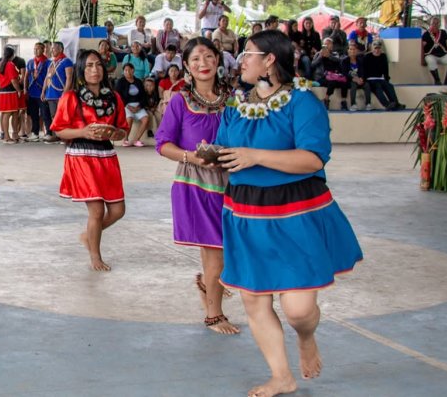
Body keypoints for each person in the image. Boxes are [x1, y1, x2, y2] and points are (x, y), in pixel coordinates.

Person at [217, 30, 362, 397]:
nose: (241, 60)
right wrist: (213, 157)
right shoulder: (235, 106)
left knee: (298, 310)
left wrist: (256, 156)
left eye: (248, 53)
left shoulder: (303, 103)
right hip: (246, 212)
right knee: (254, 297)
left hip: (296, 212)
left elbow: (313, 158)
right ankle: (281, 376)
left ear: (269, 59)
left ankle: (307, 336)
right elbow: (225, 150)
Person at [154, 37, 238, 334]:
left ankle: (206, 284)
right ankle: (214, 315)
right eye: (195, 60)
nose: (203, 64)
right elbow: (162, 144)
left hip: (232, 182)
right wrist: (194, 157)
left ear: (219, 59)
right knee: (217, 252)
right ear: (187, 67)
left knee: (223, 252)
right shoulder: (180, 101)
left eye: (208, 56)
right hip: (196, 184)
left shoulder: (235, 99)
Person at [50, 49, 129, 271]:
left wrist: (114, 133)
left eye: (98, 65)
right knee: (96, 211)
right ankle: (95, 256)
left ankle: (89, 236)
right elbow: (59, 130)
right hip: (81, 156)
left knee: (117, 211)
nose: (95, 70)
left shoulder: (114, 98)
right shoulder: (71, 97)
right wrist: (83, 132)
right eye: (89, 66)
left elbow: (123, 131)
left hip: (107, 155)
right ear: (81, 71)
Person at [42, 42, 74, 143]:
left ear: (61, 49)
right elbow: (47, 78)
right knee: (53, 115)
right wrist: (43, 91)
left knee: (63, 115)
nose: (52, 50)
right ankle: (57, 135)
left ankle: (66, 136)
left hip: (61, 94)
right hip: (51, 94)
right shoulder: (52, 62)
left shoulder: (67, 61)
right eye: (52, 49)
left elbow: (69, 79)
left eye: (54, 49)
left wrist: (65, 93)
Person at [0, 46, 25, 143]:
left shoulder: (0, 64)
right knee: (8, 114)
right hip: (10, 91)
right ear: (12, 54)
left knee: (5, 113)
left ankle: (10, 135)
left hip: (2, 91)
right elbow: (13, 80)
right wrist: (19, 90)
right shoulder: (10, 65)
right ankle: (7, 137)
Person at [361, 40, 403, 110]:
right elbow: (363, 70)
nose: (377, 50)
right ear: (372, 49)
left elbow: (386, 70)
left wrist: (387, 80)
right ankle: (387, 104)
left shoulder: (383, 56)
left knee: (389, 86)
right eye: (375, 48)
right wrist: (364, 80)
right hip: (370, 79)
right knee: (378, 87)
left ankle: (396, 103)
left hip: (380, 78)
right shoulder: (367, 57)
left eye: (378, 48)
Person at [114, 62, 149, 147]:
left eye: (129, 70)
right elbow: (118, 96)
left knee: (146, 119)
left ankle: (136, 140)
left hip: (138, 105)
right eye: (125, 70)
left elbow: (144, 95)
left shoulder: (138, 81)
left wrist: (139, 106)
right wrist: (128, 106)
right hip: (126, 105)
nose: (128, 72)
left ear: (133, 70)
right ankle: (125, 140)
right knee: (129, 119)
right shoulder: (121, 82)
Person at [25, 41, 50, 142]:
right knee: (33, 114)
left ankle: (48, 132)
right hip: (32, 92)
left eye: (38, 48)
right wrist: (25, 88)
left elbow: (49, 78)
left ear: (43, 50)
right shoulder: (31, 62)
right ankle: (35, 133)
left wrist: (45, 90)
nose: (36, 50)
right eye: (35, 48)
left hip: (42, 92)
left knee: (45, 113)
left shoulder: (47, 62)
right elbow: (26, 76)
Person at [421, 17, 447, 85]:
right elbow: (422, 46)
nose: (435, 25)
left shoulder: (443, 32)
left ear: (439, 25)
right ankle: (437, 80)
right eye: (433, 23)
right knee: (430, 60)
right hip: (431, 55)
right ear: (430, 24)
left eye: (437, 23)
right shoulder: (426, 34)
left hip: (443, 55)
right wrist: (422, 59)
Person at [317, 37, 347, 111]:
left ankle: (343, 101)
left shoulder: (335, 54)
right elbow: (313, 64)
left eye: (329, 43)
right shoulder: (319, 54)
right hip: (324, 77)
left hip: (335, 76)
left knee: (344, 82)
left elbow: (339, 61)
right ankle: (326, 100)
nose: (328, 45)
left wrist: (329, 56)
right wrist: (320, 56)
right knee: (332, 82)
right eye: (326, 43)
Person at [341, 44, 370, 111]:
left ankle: (368, 104)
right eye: (351, 49)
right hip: (350, 80)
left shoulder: (360, 60)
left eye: (354, 49)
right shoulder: (344, 61)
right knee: (353, 85)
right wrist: (353, 79)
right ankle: (353, 104)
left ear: (357, 51)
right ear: (348, 51)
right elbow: (344, 73)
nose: (352, 51)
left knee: (367, 85)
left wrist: (361, 78)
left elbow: (363, 72)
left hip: (359, 80)